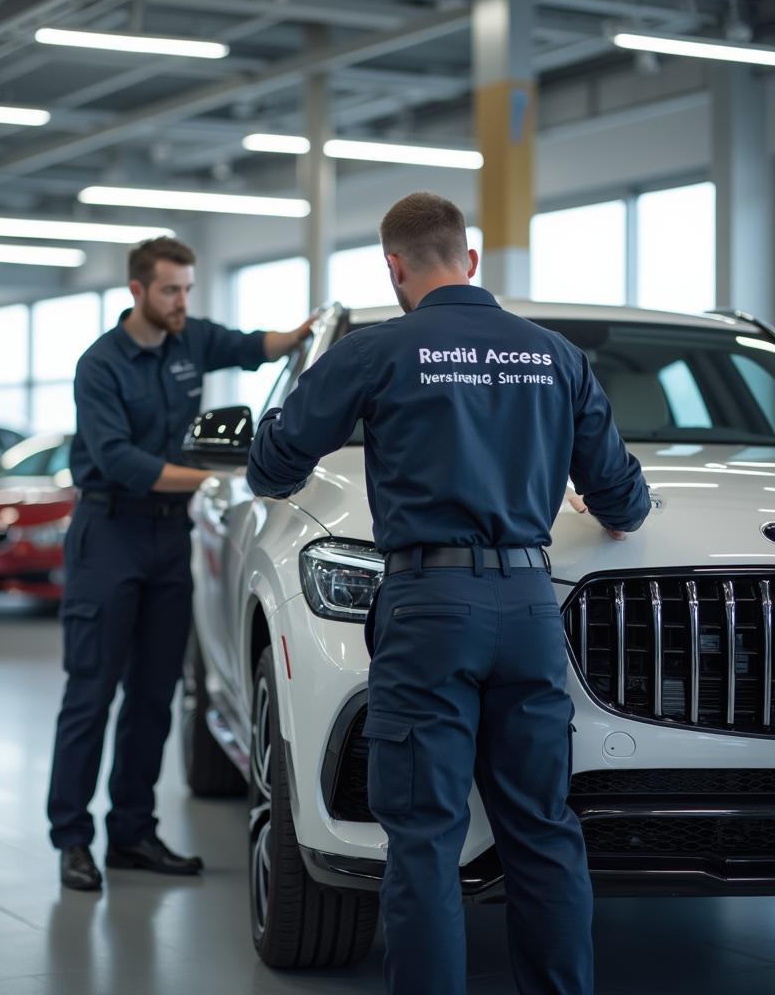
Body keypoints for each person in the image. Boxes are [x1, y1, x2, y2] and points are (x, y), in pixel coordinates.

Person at [246, 192, 651, 995]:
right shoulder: (554, 356)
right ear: (470, 259)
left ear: (394, 268)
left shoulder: (382, 351)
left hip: (429, 609)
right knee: (541, 829)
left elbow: (273, 466)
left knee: (427, 838)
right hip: (534, 608)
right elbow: (625, 503)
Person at [48, 235, 315, 892]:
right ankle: (73, 840)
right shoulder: (100, 365)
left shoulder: (188, 339)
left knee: (154, 695)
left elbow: (253, 346)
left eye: (188, 290)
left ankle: (133, 833)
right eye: (171, 290)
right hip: (108, 533)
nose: (182, 302)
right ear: (137, 291)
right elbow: (117, 460)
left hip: (169, 542)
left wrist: (310, 331)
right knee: (91, 694)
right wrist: (207, 481)